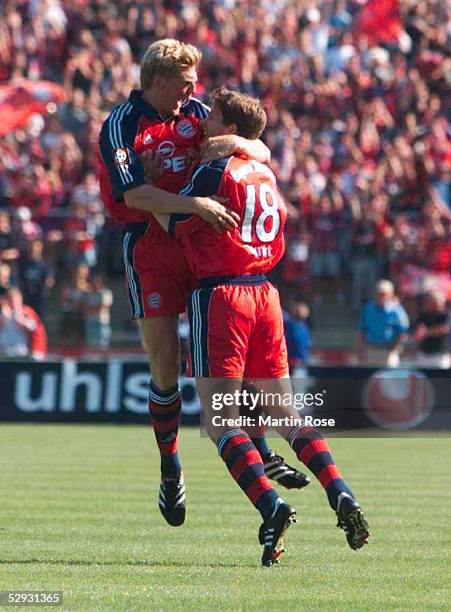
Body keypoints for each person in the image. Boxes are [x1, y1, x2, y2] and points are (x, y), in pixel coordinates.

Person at [147, 87, 369, 565]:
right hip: (266, 294)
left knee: (222, 423)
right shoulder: (265, 172)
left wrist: (144, 195)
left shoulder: (213, 169)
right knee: (286, 414)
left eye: (214, 120)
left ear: (229, 129)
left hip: (222, 295)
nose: (204, 125)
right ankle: (340, 489)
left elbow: (174, 221)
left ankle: (271, 506)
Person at [98, 39, 307, 528]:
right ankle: (170, 464)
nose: (194, 89)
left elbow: (260, 147)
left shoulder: (195, 112)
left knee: (224, 358)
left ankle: (259, 447)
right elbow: (133, 193)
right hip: (149, 248)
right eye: (186, 81)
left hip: (200, 244)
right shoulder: (121, 124)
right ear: (159, 80)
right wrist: (193, 204)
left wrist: (237, 144)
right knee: (166, 368)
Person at [357, 279, 410, 367]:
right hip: (371, 349)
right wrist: (360, 350)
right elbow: (362, 331)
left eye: (383, 294)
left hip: (388, 351)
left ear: (390, 294)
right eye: (378, 293)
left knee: (389, 379)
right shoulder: (369, 309)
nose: (380, 296)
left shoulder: (397, 311)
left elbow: (402, 333)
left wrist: (394, 351)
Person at [0, 287, 47, 360]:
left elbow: (35, 328)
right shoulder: (3, 312)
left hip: (21, 353)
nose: (13, 302)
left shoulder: (26, 312)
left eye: (15, 300)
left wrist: (22, 320)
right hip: (4, 353)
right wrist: (3, 319)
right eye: (10, 300)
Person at [412, 292, 450, 369]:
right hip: (423, 355)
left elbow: (443, 330)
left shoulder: (446, 315)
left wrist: (426, 333)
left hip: (440, 356)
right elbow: (417, 334)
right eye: (429, 302)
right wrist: (426, 333)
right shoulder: (423, 316)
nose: (430, 304)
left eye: (433, 302)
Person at [82, 272, 113, 349]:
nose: (95, 283)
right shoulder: (88, 293)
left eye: (97, 281)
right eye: (94, 281)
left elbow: (103, 307)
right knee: (91, 347)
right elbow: (84, 307)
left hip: (102, 323)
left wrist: (91, 309)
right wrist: (95, 308)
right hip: (90, 323)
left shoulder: (107, 293)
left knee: (103, 347)